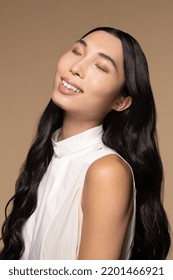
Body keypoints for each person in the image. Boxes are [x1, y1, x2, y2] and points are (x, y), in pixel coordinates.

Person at [0, 27, 171, 260]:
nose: (76, 68)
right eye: (77, 51)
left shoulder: (106, 171)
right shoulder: (49, 156)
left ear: (121, 102)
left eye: (100, 66)